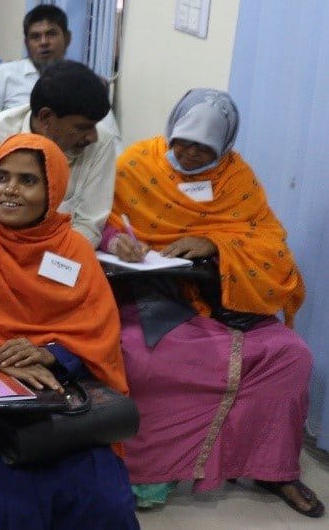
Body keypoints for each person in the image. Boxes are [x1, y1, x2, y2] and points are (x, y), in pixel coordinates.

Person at [100, 89, 320, 516]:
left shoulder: (238, 180)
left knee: (292, 356)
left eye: (204, 148)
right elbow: (98, 219)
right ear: (171, 130)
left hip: (224, 296)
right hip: (151, 296)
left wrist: (214, 244)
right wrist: (116, 239)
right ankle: (151, 473)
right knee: (150, 358)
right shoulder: (136, 166)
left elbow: (270, 244)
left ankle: (273, 468)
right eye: (182, 140)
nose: (190, 152)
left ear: (225, 147)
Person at [0, 133, 138, 528]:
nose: (10, 191)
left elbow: (98, 332)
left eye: (28, 180)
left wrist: (51, 352)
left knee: (105, 500)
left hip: (60, 411)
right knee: (1, 507)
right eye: (2, 178)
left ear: (53, 189)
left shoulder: (73, 250)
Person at [0, 60, 114, 246]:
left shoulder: (100, 142)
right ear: (46, 118)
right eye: (82, 127)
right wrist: (7, 261)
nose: (93, 136)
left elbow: (89, 226)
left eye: (95, 125)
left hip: (56, 260)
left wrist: (42, 262)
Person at [0, 4, 73, 115]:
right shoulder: (3, 75)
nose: (43, 42)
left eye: (51, 34)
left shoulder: (77, 80)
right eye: (35, 36)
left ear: (67, 38)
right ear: (26, 43)